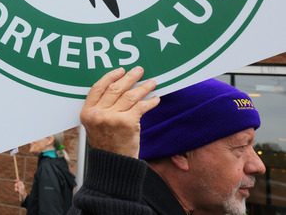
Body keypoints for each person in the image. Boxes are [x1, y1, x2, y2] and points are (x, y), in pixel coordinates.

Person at [69, 66, 265, 215]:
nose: (258, 165)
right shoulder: (101, 207)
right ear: (181, 153)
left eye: (252, 146)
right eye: (240, 146)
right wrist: (112, 173)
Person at [14, 132, 76, 214]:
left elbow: (50, 210)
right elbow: (47, 203)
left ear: (49, 140)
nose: (30, 141)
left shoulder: (48, 167)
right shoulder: (57, 162)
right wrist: (24, 195)